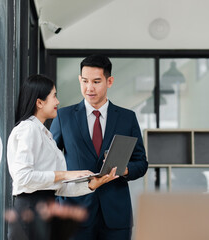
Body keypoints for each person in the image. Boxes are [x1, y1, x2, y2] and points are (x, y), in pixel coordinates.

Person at [6, 74, 118, 240]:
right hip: (30, 212)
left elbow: (57, 187)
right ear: (39, 102)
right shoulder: (28, 130)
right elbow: (23, 177)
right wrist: (66, 174)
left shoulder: (45, 133)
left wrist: (92, 184)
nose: (58, 101)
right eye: (54, 96)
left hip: (44, 210)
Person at [50, 54, 148, 240]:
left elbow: (141, 163)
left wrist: (124, 170)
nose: (89, 88)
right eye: (85, 81)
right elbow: (50, 163)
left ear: (109, 81)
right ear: (79, 79)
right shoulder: (64, 117)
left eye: (96, 81)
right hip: (74, 213)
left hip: (116, 216)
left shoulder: (127, 118)